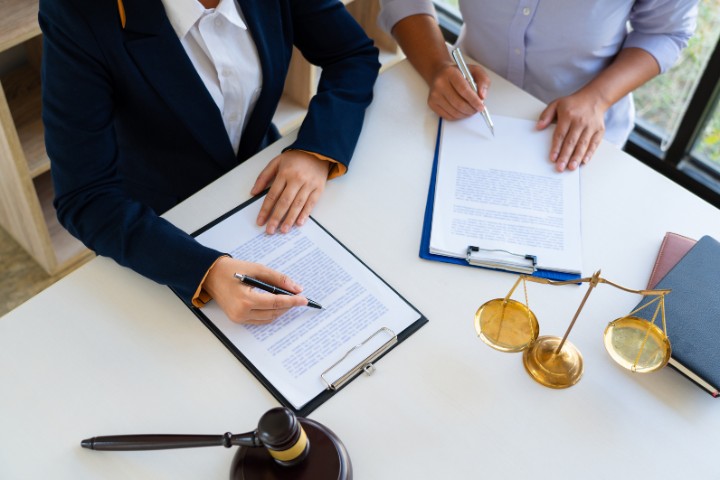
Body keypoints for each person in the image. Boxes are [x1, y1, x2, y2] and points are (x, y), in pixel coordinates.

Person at [39, 0, 380, 324]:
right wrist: (205, 272)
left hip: (262, 185)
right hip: (160, 225)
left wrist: (315, 150)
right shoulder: (77, 11)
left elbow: (351, 55)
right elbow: (84, 197)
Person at [378, 0, 697, 172]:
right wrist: (437, 66)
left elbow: (666, 32)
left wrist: (597, 99)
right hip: (462, 107)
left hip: (577, 135)